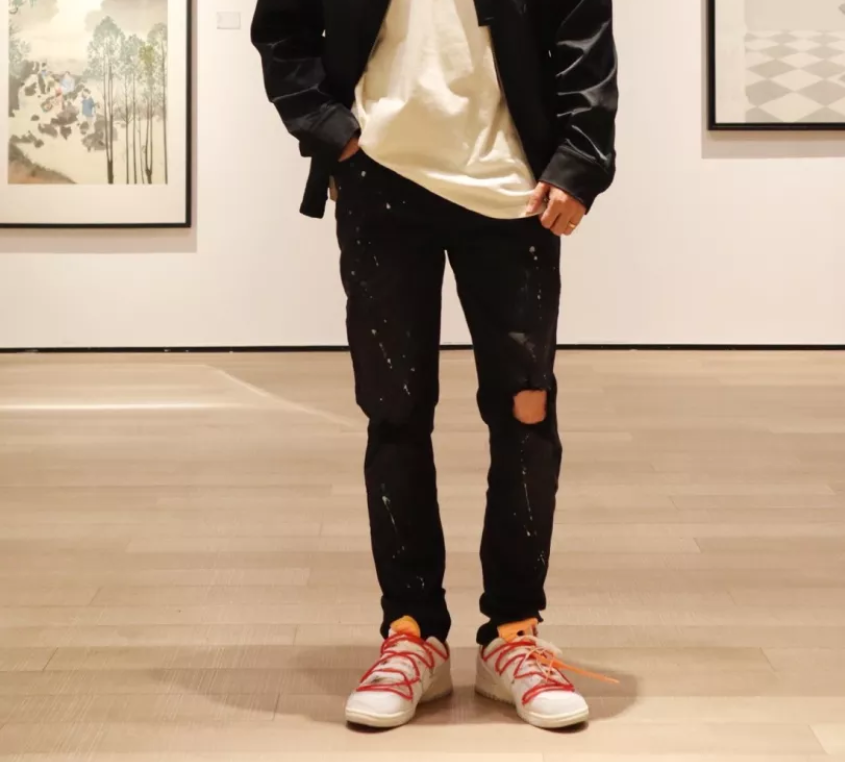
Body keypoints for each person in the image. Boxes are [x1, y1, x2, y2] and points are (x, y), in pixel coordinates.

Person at [252, 0, 617, 730]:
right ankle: (412, 630)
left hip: (515, 189)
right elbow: (281, 30)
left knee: (526, 410)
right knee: (394, 411)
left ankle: (513, 634)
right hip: (380, 182)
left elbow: (584, 39)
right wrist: (330, 131)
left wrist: (580, 162)